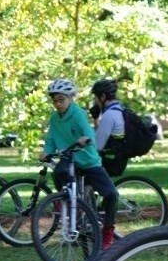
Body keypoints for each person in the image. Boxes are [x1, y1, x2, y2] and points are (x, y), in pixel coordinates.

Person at [40, 78, 119, 250]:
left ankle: (108, 231)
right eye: (54, 100)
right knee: (59, 172)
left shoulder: (78, 114)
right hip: (69, 158)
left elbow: (88, 132)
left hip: (88, 159)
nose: (58, 104)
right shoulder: (54, 118)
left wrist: (86, 138)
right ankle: (67, 203)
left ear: (70, 98)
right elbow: (51, 138)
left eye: (61, 99)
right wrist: (46, 151)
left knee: (111, 194)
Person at [90, 79, 127, 177]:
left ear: (102, 96)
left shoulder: (109, 115)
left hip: (110, 161)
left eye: (96, 98)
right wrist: (96, 118)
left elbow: (98, 145)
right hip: (117, 158)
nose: (95, 101)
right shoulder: (119, 110)